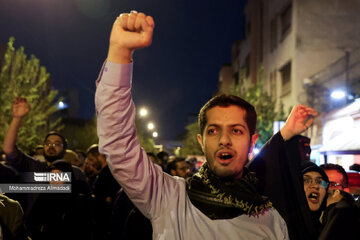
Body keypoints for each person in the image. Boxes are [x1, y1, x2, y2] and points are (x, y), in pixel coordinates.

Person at [96, 11, 288, 239]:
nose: (224, 140)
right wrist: (120, 51)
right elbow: (119, 147)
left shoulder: (272, 220)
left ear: (252, 142)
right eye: (213, 130)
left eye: (236, 131)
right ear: (201, 141)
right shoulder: (168, 198)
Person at [2, 97, 90, 220]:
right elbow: (8, 149)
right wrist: (17, 118)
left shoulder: (76, 172)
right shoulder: (34, 167)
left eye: (56, 144)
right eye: (48, 143)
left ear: (65, 149)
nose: (51, 147)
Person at [86, 144, 120, 240]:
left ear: (101, 157)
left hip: (104, 227)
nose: (88, 162)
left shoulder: (108, 175)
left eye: (91, 159)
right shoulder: (102, 174)